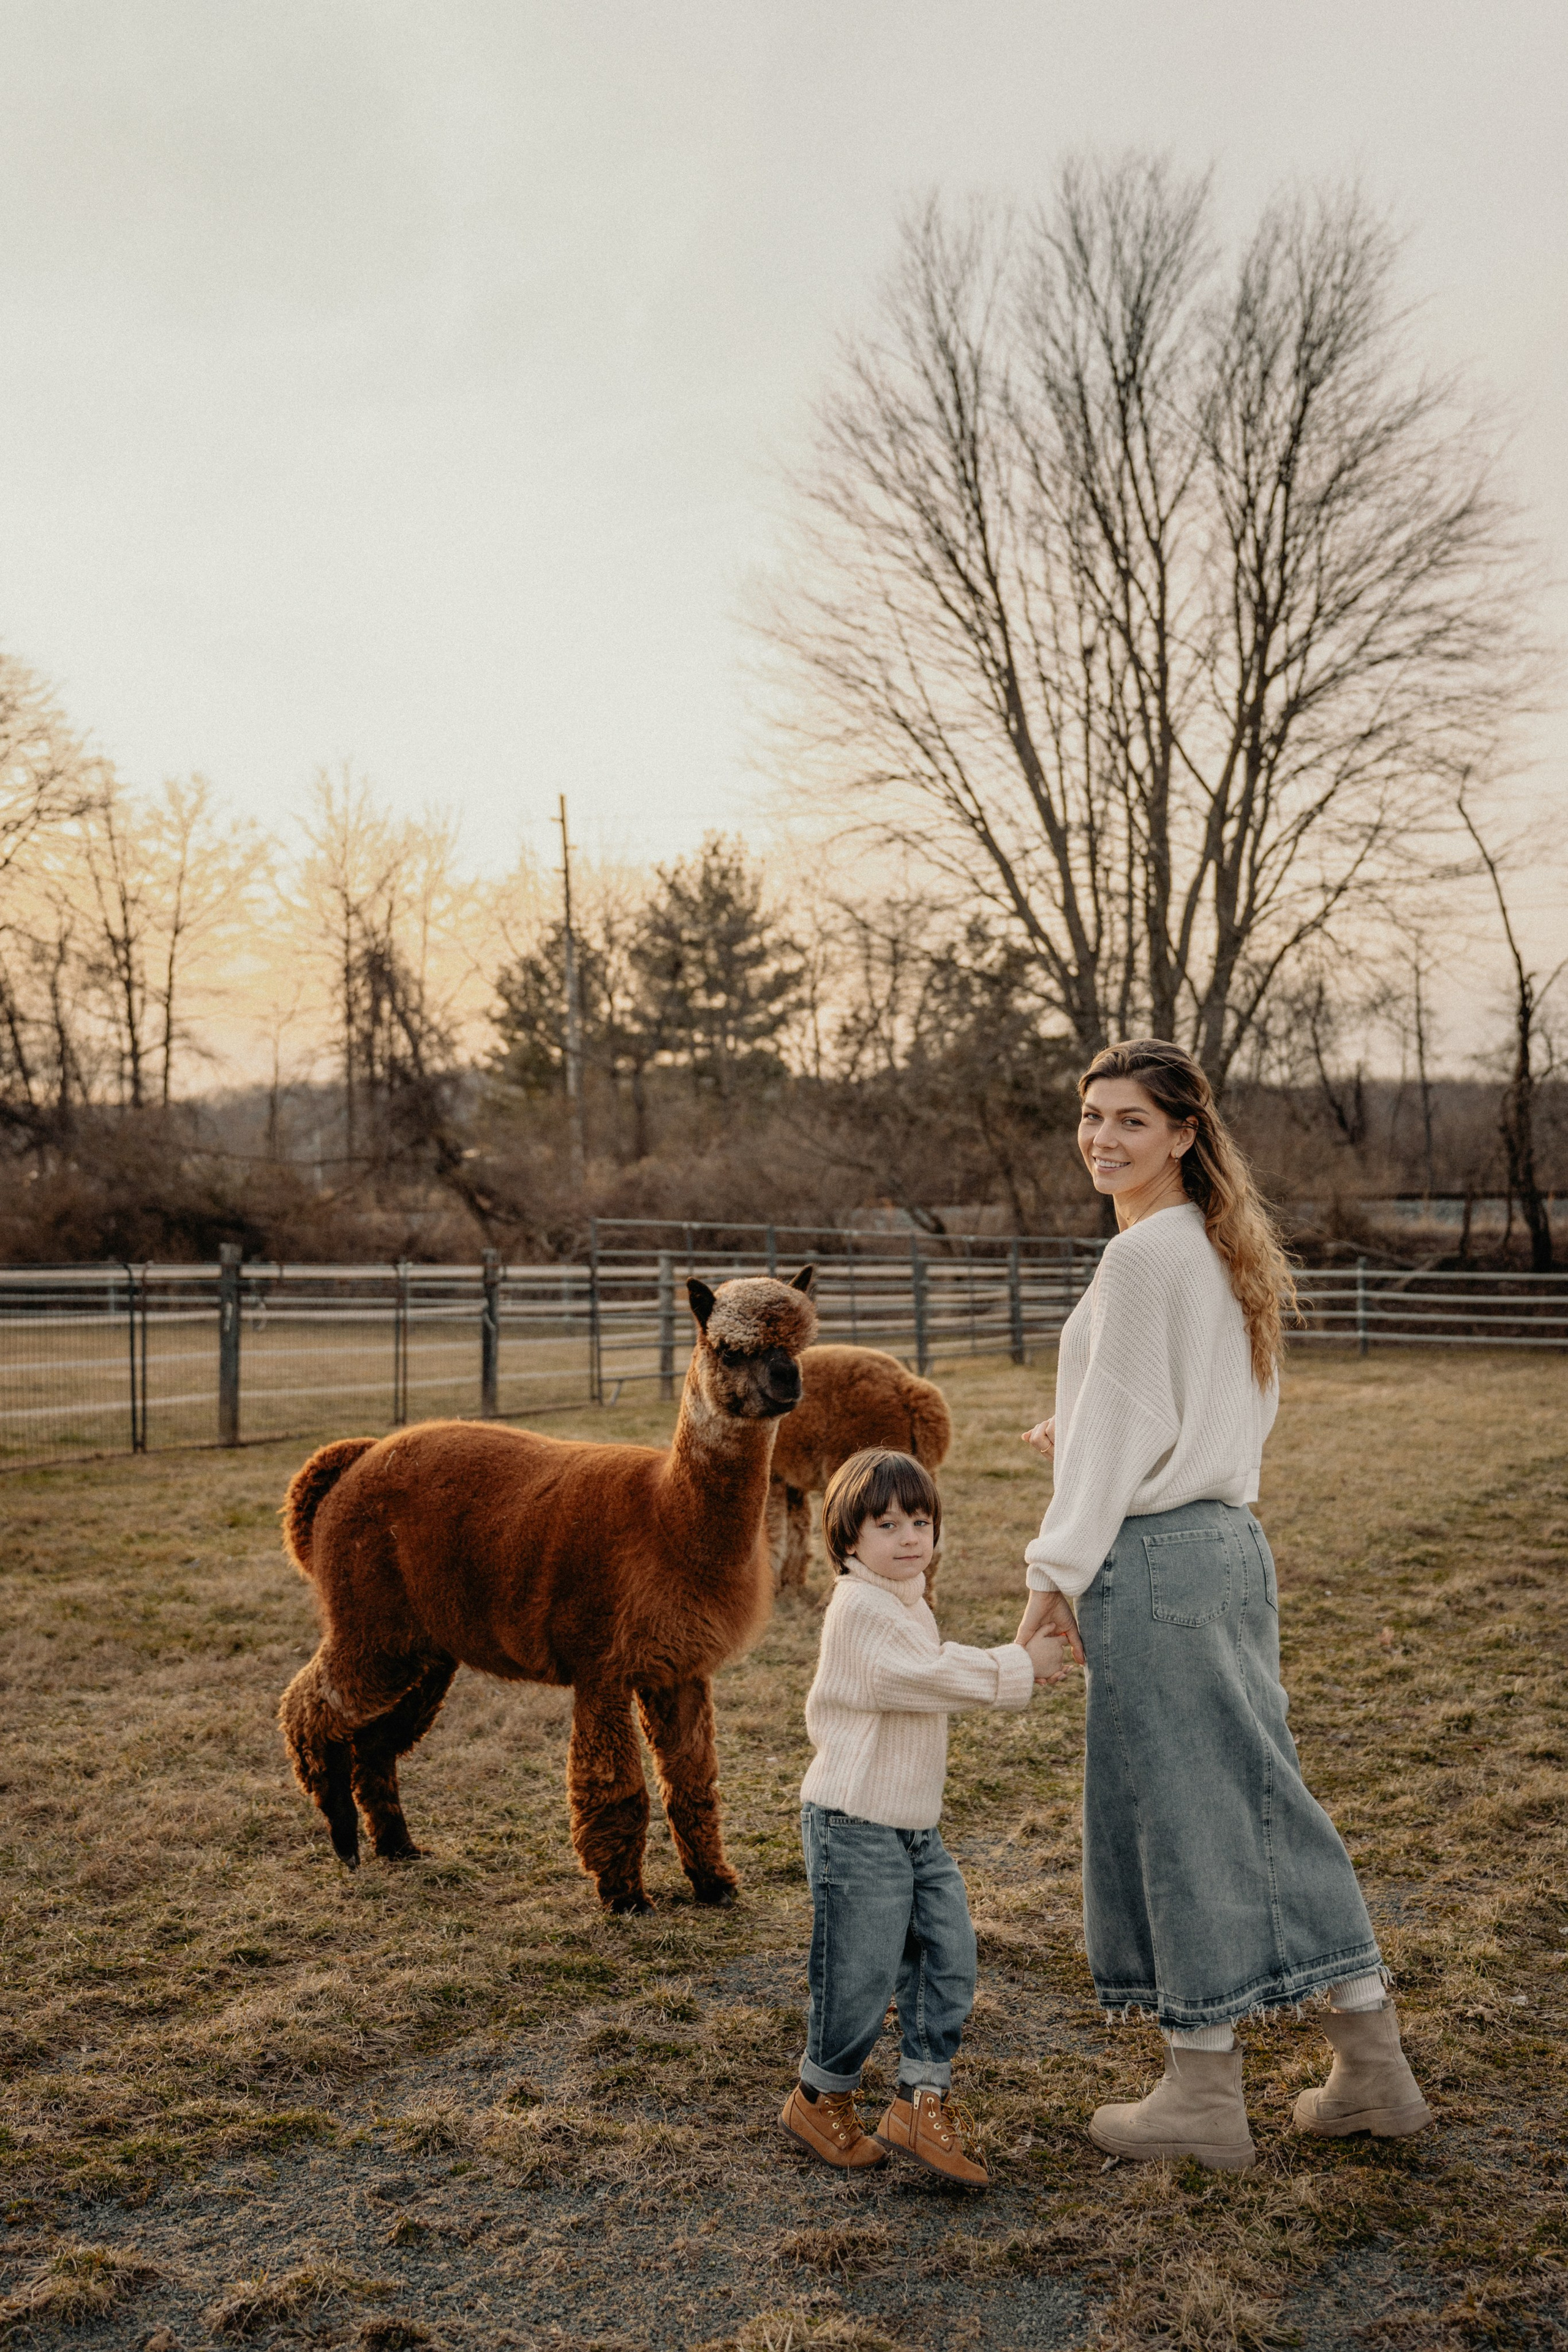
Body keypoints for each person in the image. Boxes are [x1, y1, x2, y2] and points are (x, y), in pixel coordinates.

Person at [1016, 1038, 1433, 2172]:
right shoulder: (1217, 1245)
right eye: (1092, 1115)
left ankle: (1202, 2095)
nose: (1103, 1138)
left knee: (1182, 1818)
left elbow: (1123, 1440)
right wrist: (1083, 1437)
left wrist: (1051, 1576)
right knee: (1259, 1801)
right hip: (1227, 1550)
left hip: (1157, 1565)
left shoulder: (1143, 1257)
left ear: (1184, 1134)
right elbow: (1201, 1414)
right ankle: (1374, 2068)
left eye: (1131, 1121)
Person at [778, 1447, 1068, 2185]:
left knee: (948, 1950)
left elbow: (930, 1672)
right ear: (847, 1539)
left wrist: (1015, 1660)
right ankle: (820, 2097)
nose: (909, 1537)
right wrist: (1017, 1665)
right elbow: (919, 1676)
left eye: (920, 1521)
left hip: (911, 1826)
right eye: (886, 1525)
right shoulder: (858, 1607)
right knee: (860, 1970)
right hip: (853, 1824)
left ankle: (920, 2098)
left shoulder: (905, 1599)